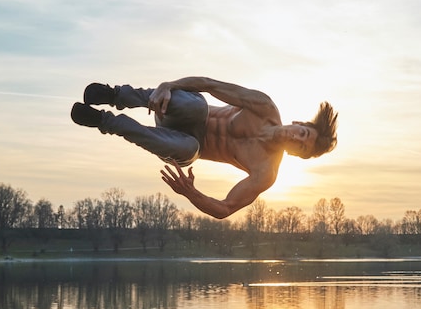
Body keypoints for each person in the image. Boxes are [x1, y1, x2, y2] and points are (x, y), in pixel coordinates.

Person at [71, 76, 337, 219]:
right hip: (175, 110)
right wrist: (168, 86)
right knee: (198, 105)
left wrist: (191, 193)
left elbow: (226, 208)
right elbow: (209, 85)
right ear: (299, 122)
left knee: (190, 150)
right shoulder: (264, 106)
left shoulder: (265, 171)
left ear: (295, 154)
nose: (295, 138)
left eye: (300, 146)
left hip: (179, 143)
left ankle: (102, 121)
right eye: (302, 132)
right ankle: (116, 95)